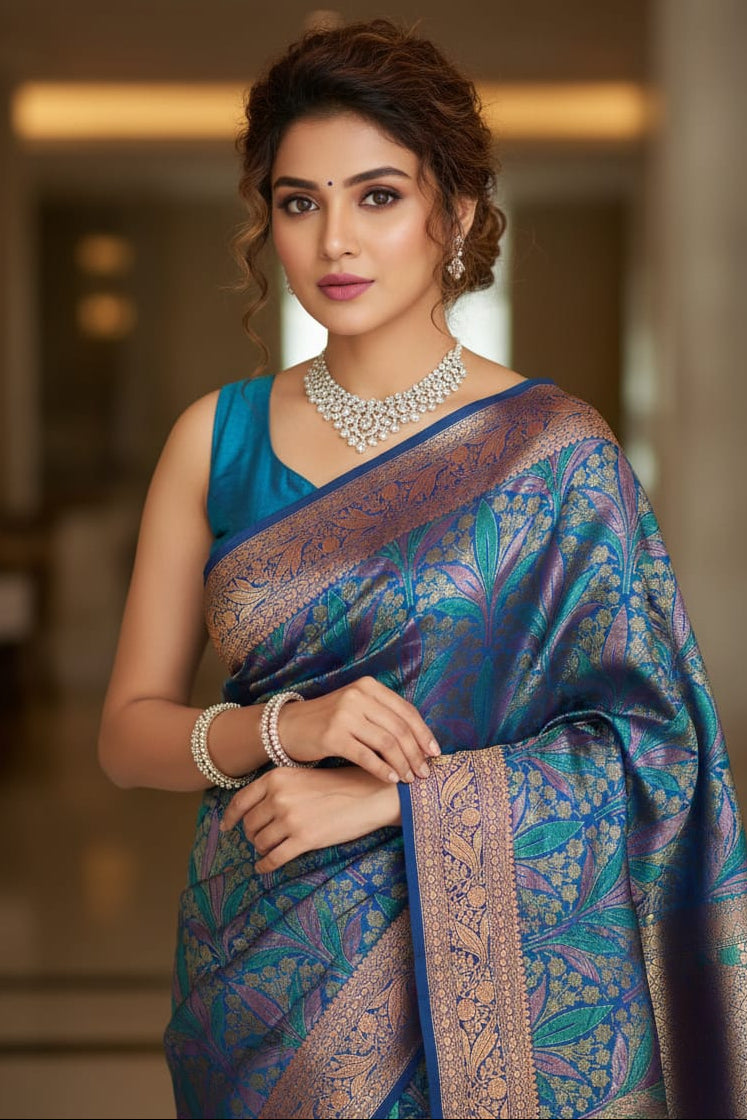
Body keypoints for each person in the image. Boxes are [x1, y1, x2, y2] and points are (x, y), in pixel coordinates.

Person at [98, 17, 747, 1120]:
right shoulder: (217, 439)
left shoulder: (557, 454)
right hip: (258, 981)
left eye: (378, 196)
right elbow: (126, 736)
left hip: (476, 989)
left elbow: (655, 755)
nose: (334, 240)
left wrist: (397, 803)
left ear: (455, 212)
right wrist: (284, 728)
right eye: (299, 201)